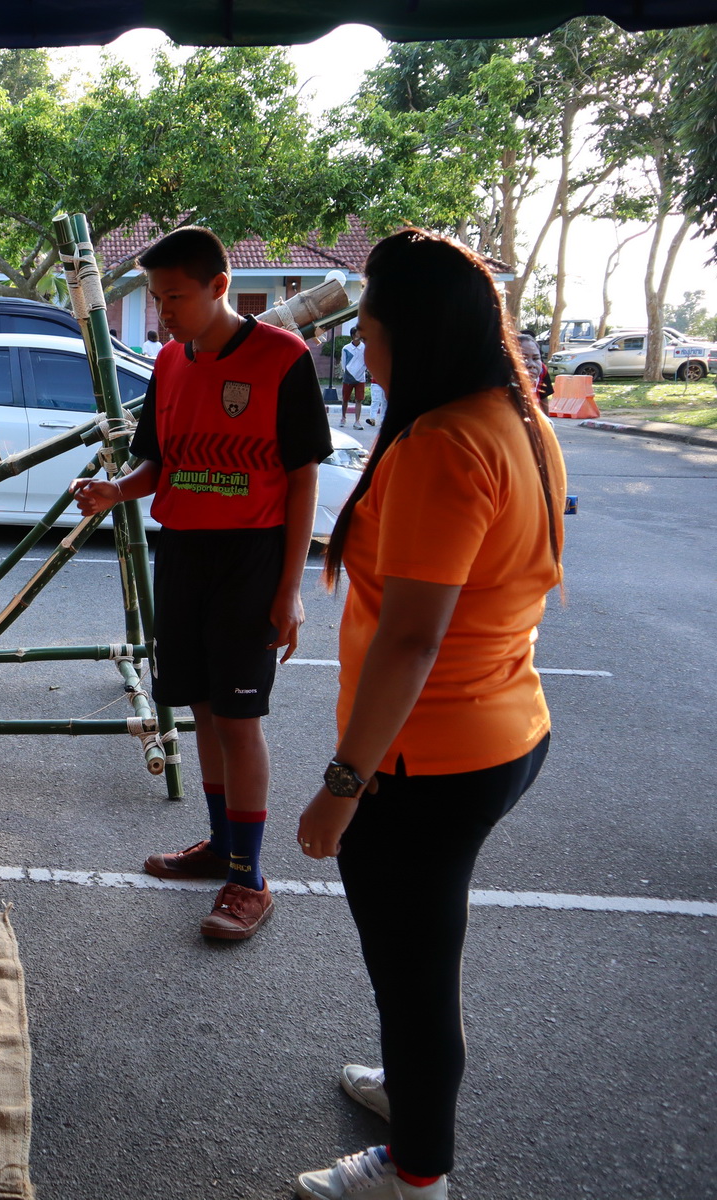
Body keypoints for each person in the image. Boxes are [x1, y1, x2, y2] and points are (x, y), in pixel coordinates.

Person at [290, 230, 565, 1200]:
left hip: (427, 762)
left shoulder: (443, 445)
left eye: (368, 326)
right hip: (503, 731)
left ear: (412, 331)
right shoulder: (515, 418)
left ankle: (416, 1175)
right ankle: (412, 1094)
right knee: (420, 961)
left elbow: (411, 641)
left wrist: (342, 785)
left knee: (414, 978)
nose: (360, 343)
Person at [70, 226, 329, 940]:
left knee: (240, 720)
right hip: (182, 552)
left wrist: (290, 586)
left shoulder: (282, 358)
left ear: (220, 286)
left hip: (252, 559)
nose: (164, 313)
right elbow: (158, 463)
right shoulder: (169, 363)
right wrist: (117, 490)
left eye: (175, 297)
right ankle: (221, 846)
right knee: (205, 711)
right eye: (156, 299)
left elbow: (303, 477)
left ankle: (251, 880)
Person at [340, 328, 369, 429]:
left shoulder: (365, 348)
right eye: (358, 333)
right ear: (353, 335)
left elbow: (367, 361)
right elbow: (343, 363)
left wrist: (362, 371)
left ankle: (357, 421)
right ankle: (343, 417)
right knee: (345, 399)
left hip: (360, 378)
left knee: (359, 400)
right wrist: (348, 373)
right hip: (348, 377)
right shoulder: (346, 348)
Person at [516, 331, 553, 405]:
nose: (532, 364)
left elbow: (543, 398)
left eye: (535, 358)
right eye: (524, 358)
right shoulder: (499, 384)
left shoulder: (542, 370)